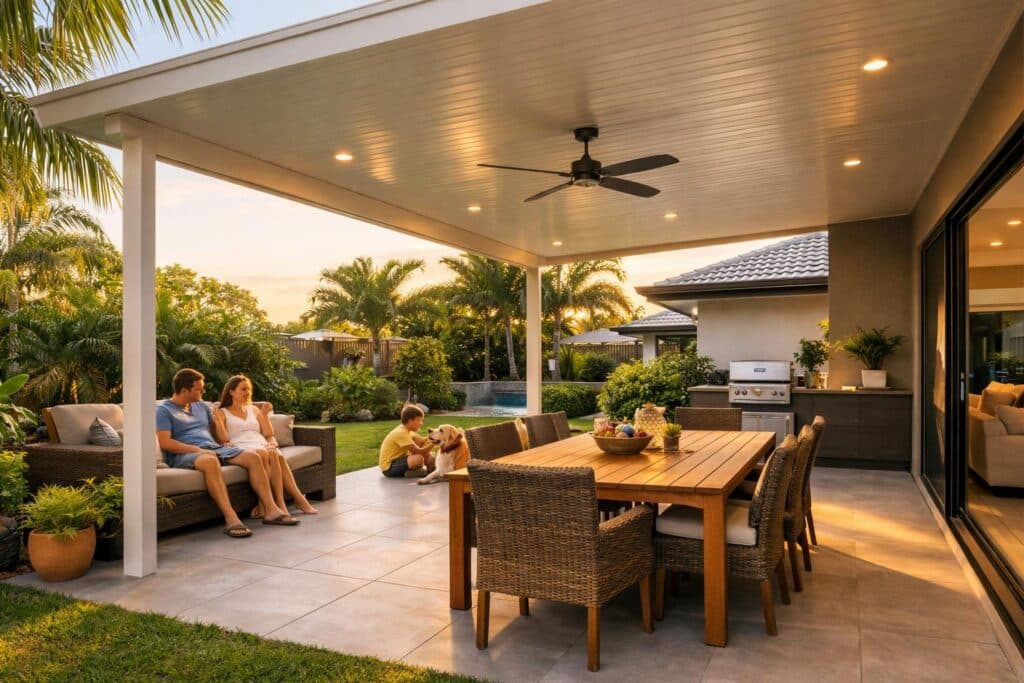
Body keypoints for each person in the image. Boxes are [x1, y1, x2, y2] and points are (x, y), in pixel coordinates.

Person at [156, 368, 298, 538]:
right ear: (184, 390)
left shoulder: (201, 406)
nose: (203, 391)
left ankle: (271, 510)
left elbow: (216, 433)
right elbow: (165, 442)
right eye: (199, 389)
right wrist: (196, 449)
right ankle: (231, 518)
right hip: (185, 453)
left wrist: (223, 436)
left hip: (212, 447)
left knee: (253, 457)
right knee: (210, 461)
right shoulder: (164, 410)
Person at [211, 374, 317, 518]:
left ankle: (286, 502)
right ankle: (284, 503)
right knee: (270, 454)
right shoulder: (222, 412)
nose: (247, 392)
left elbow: (268, 433)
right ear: (231, 392)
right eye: (243, 389)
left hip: (260, 442)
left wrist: (269, 429)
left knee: (276, 454)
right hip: (241, 447)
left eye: (248, 389)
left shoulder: (253, 409)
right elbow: (224, 439)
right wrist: (217, 420)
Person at [379, 404, 435, 478]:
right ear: (410, 420)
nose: (421, 423)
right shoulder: (401, 433)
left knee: (428, 454)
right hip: (389, 468)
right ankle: (409, 473)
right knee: (418, 458)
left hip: (400, 461)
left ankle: (430, 470)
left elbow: (422, 441)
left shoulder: (408, 431)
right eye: (419, 420)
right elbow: (417, 451)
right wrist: (434, 443)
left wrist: (436, 435)